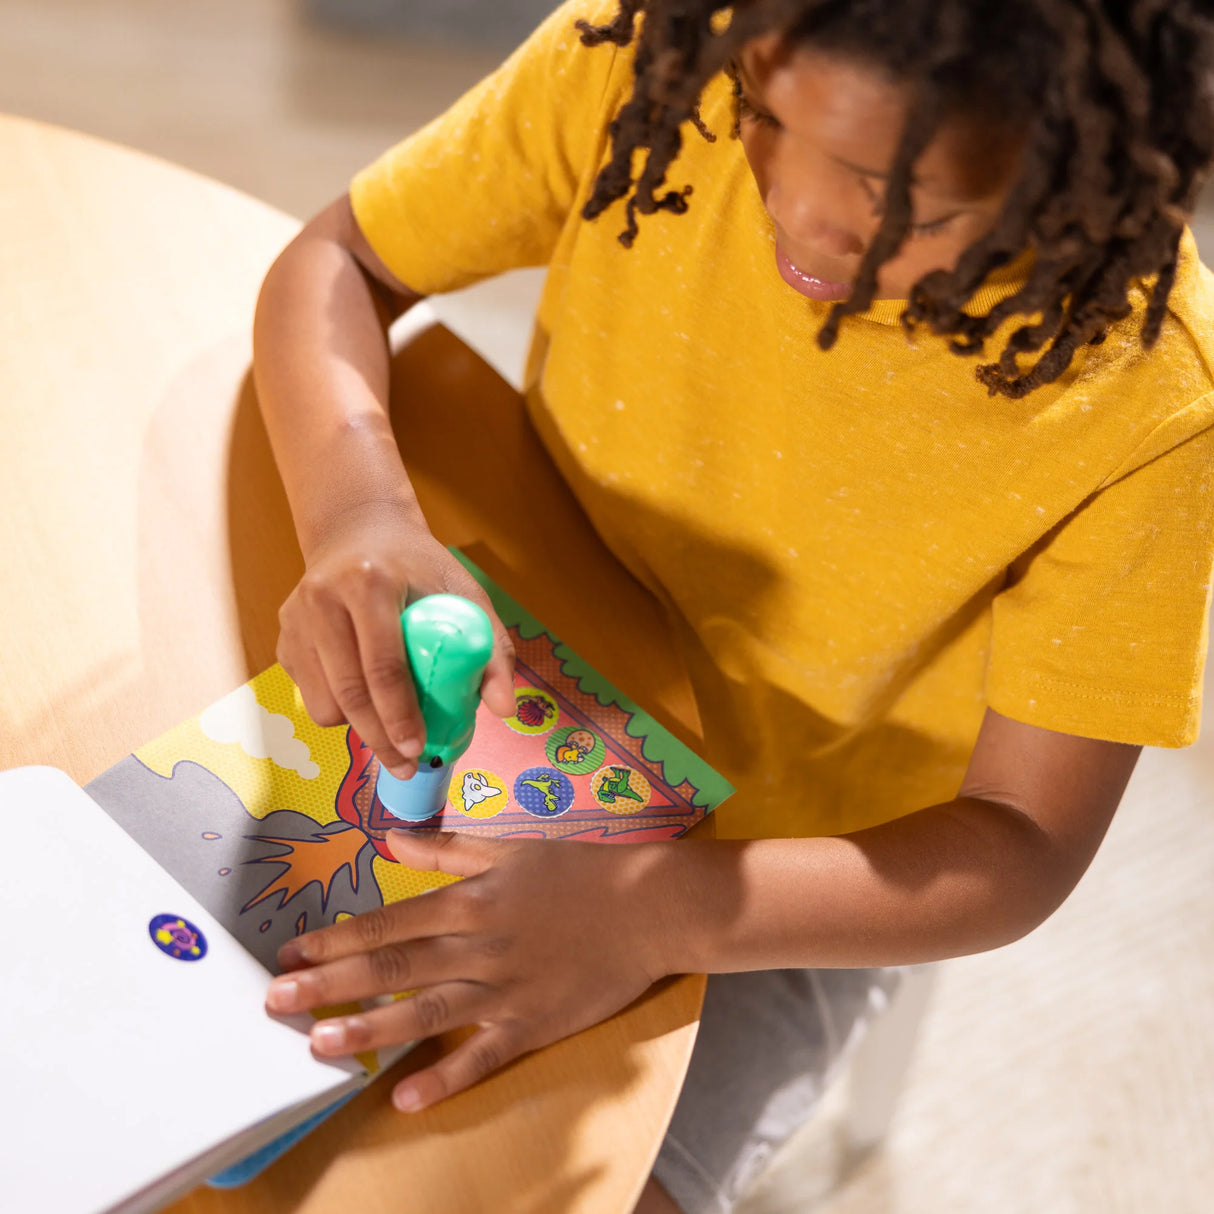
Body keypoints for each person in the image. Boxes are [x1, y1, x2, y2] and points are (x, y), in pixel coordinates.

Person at [253, 2, 1214, 1210]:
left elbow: (1021, 842)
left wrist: (658, 915)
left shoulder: (1143, 403)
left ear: (1070, 165)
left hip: (787, 879)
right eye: (762, 114)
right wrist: (356, 513)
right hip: (518, 678)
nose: (797, 211)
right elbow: (336, 260)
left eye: (901, 197)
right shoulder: (656, 55)